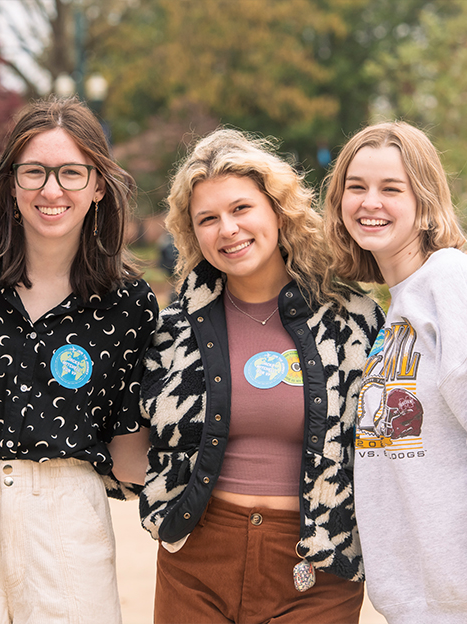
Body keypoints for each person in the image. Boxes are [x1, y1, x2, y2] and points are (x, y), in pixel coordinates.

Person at [0, 97, 158, 624]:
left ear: (98, 185)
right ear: (10, 183)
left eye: (72, 173)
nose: (52, 190)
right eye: (34, 172)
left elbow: (127, 440)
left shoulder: (129, 303)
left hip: (68, 511)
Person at [139, 128, 385, 623]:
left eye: (241, 209)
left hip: (316, 564)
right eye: (207, 219)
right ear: (192, 233)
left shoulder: (351, 318)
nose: (227, 229)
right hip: (197, 560)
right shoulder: (177, 326)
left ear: (277, 210)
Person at [324, 121, 467, 624]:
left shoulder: (448, 279)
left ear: (424, 203)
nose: (370, 202)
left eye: (391, 188)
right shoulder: (397, 307)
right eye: (356, 187)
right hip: (417, 601)